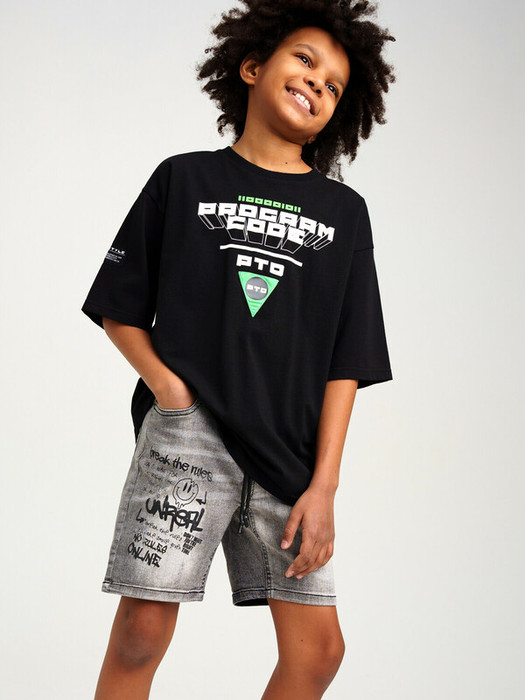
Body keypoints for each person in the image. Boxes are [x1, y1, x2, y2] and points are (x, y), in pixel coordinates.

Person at [81, 1, 396, 697]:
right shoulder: (183, 179)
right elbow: (118, 306)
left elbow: (347, 360)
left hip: (291, 453)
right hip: (188, 433)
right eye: (304, 60)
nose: (316, 83)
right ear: (252, 66)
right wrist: (171, 392)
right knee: (141, 630)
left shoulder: (345, 213)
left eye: (334, 85)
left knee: (318, 651)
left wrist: (325, 485)